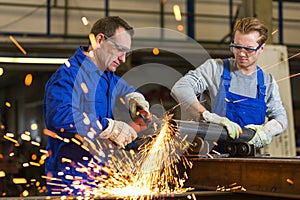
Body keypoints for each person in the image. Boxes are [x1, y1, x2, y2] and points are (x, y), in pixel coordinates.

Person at [43, 16, 150, 195]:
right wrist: (109, 127)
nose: (123, 59)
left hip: (100, 176)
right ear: (99, 40)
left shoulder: (106, 75)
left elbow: (122, 86)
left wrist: (135, 97)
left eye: (127, 53)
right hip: (71, 181)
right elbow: (58, 117)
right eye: (119, 50)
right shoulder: (68, 76)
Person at [171, 17, 287, 151]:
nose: (241, 54)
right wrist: (207, 116)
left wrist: (268, 131)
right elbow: (180, 88)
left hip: (249, 158)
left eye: (248, 49)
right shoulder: (215, 69)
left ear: (261, 48)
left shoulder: (267, 82)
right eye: (237, 47)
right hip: (211, 157)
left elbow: (281, 118)